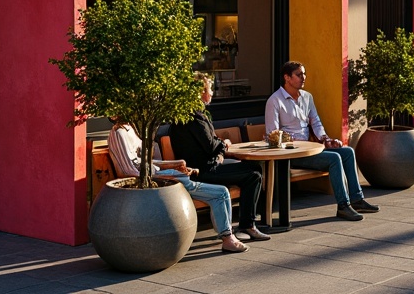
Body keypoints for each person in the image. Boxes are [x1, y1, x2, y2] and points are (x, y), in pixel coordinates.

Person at [107, 119, 249, 253]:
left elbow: (145, 164)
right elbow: (128, 171)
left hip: (167, 177)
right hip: (162, 182)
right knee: (221, 193)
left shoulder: (129, 129)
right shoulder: (119, 133)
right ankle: (227, 238)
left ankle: (227, 236)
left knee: (220, 192)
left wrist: (174, 166)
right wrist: (166, 174)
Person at [265, 61, 379, 221]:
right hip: (293, 154)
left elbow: (315, 122)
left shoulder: (307, 97)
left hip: (311, 150)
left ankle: (357, 199)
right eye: (299, 75)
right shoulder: (275, 101)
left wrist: (326, 139)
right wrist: (289, 141)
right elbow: (272, 134)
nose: (303, 78)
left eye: (304, 74)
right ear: (287, 78)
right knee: (334, 159)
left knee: (347, 152)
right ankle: (343, 206)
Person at [168, 74, 270, 242]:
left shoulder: (190, 115)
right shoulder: (195, 117)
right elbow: (211, 146)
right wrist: (223, 145)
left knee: (253, 170)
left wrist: (220, 147)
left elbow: (212, 142)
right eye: (210, 90)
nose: (212, 94)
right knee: (253, 173)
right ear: (200, 92)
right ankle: (247, 225)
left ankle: (247, 225)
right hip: (202, 171)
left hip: (202, 167)